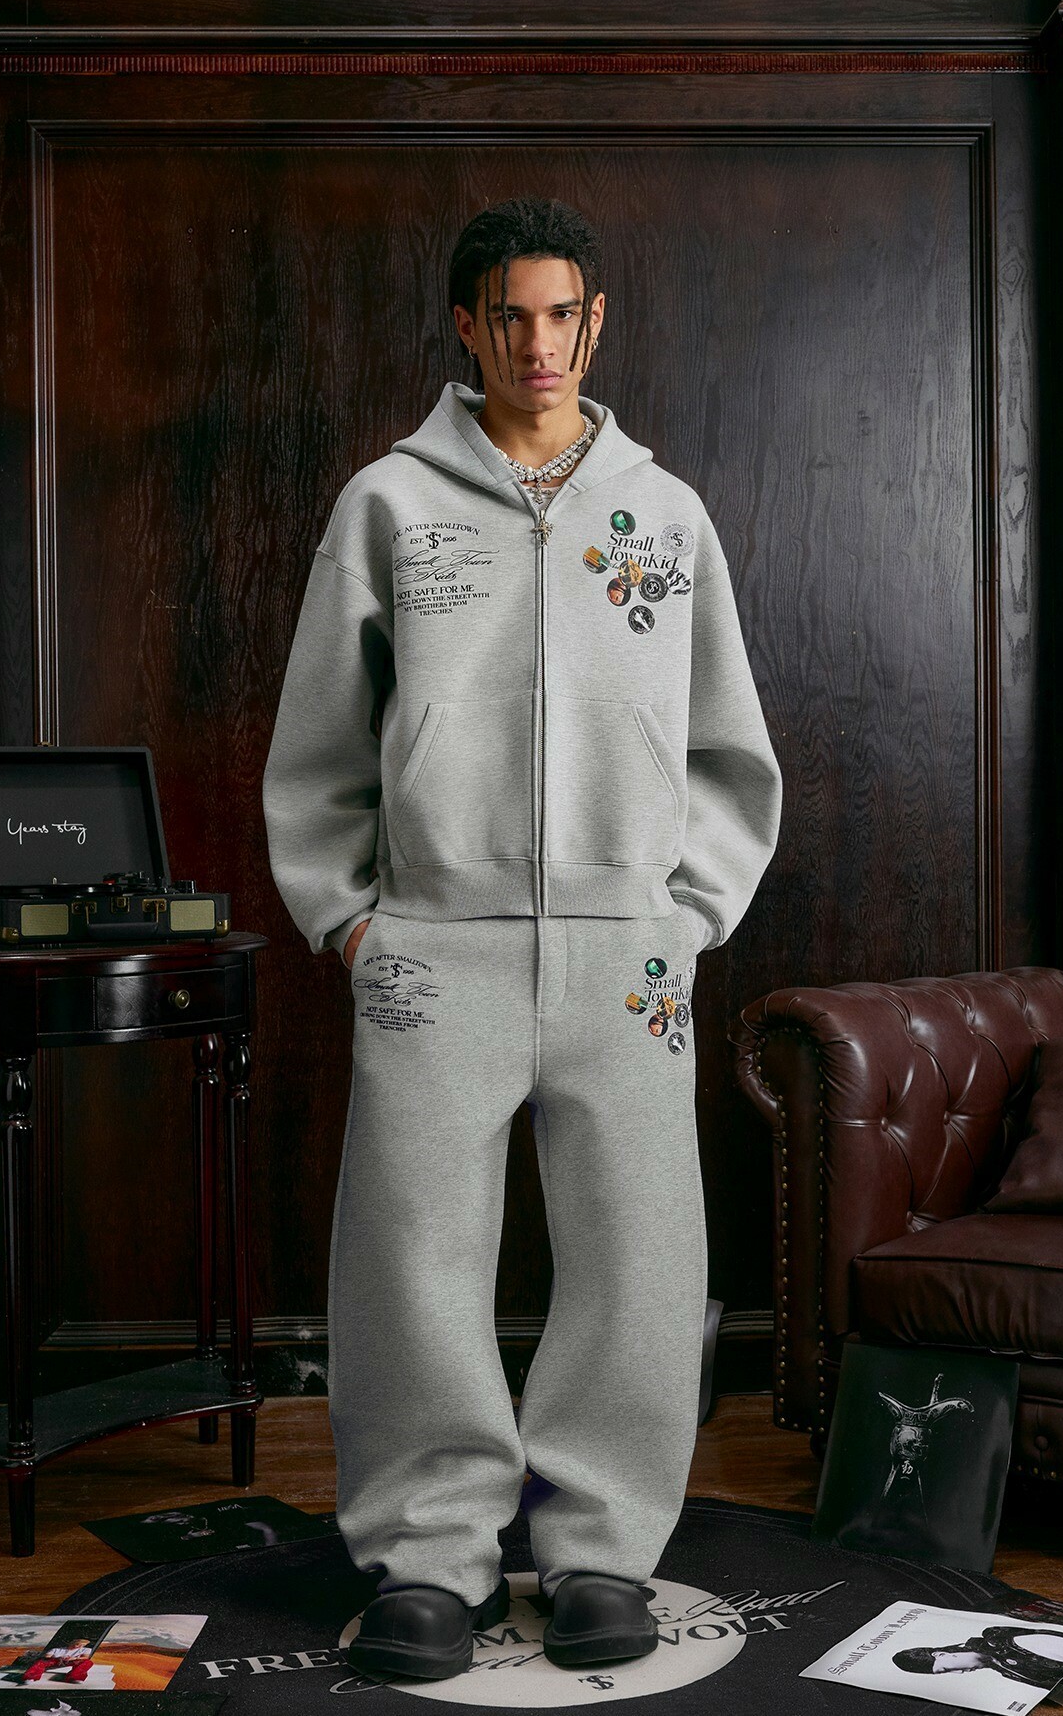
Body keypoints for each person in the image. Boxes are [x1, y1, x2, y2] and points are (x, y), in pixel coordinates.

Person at [262, 194, 783, 1681]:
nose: (537, 343)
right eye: (510, 316)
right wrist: (353, 924)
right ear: (466, 325)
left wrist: (686, 920)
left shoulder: (665, 515)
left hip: (628, 955)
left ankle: (601, 1551)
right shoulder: (388, 504)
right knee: (409, 1258)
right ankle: (431, 1558)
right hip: (437, 945)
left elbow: (728, 747)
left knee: (639, 1255)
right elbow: (318, 744)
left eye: (562, 315)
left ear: (594, 324)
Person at [893, 1624, 1063, 1691]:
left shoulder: (1019, 1645)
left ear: (941, 1654)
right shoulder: (1004, 1670)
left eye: (946, 1669)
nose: (959, 1673)